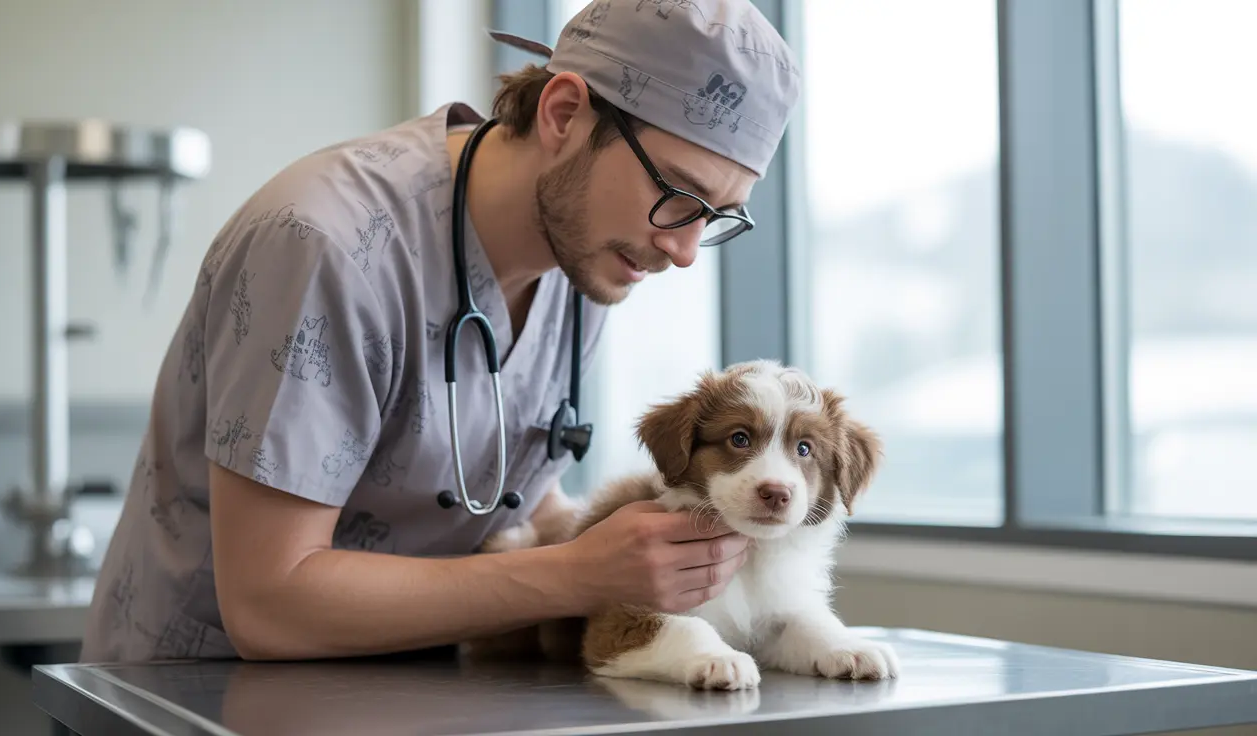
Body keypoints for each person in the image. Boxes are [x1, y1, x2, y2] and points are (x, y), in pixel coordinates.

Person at [78, 0, 801, 663]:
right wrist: (578, 573)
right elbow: (270, 605)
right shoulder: (324, 245)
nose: (681, 250)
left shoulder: (588, 263)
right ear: (561, 113)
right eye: (678, 194)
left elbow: (498, 493)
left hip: (409, 686)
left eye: (715, 217)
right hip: (199, 697)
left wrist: (648, 548)